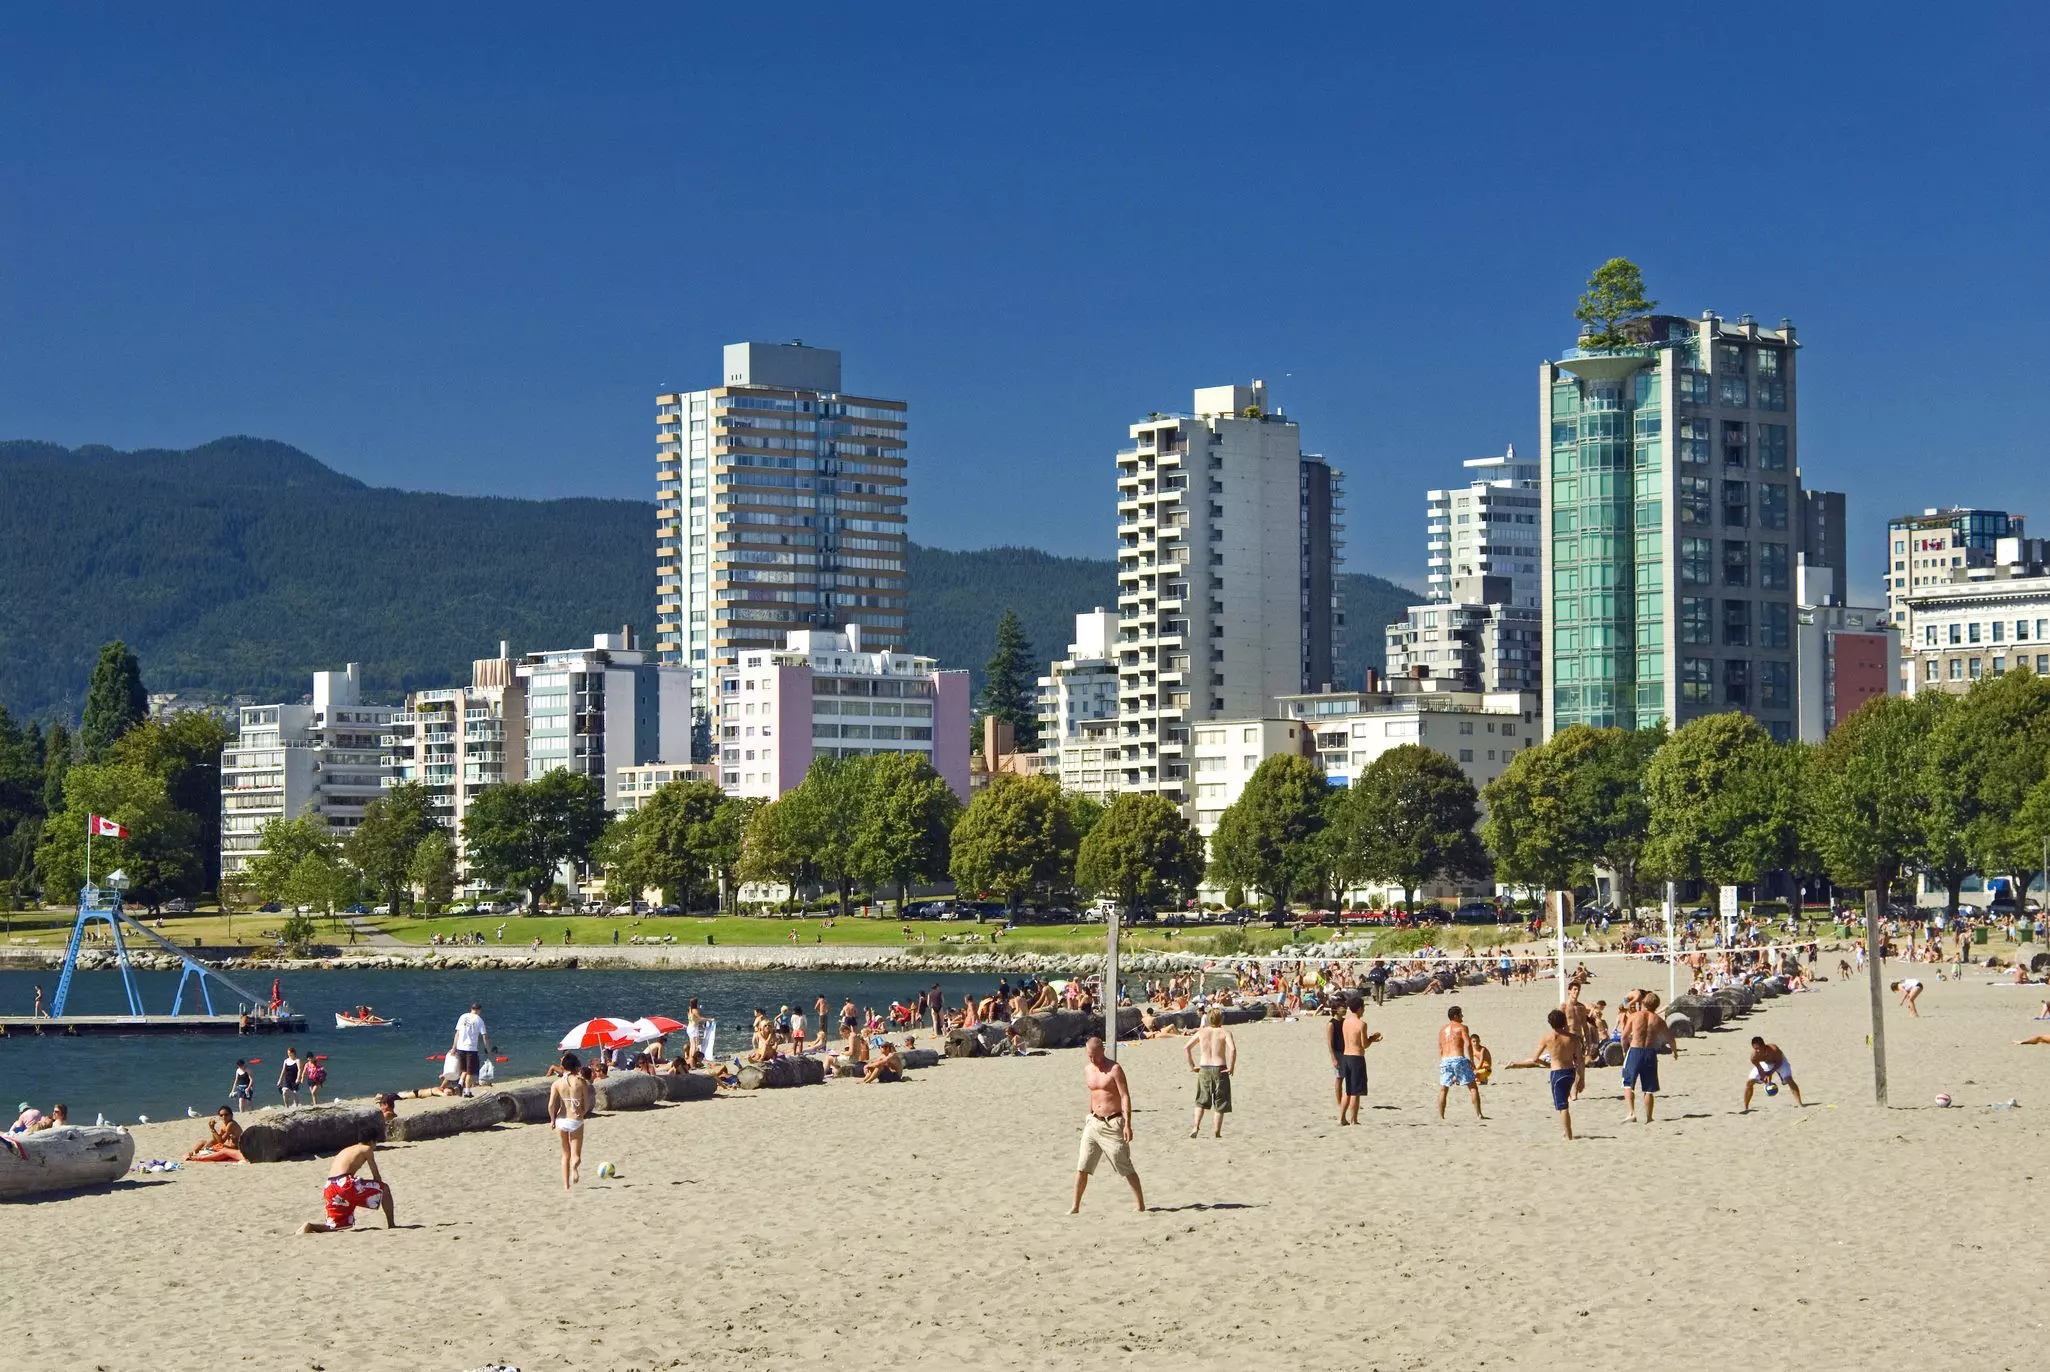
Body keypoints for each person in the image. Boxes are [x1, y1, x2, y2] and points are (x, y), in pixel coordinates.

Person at [1071, 1037, 1143, 1214]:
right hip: (1093, 1123)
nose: (1092, 1060)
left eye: (1095, 1056)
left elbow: (1124, 1095)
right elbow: (1093, 1093)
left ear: (1102, 1051)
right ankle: (1075, 1207)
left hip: (1113, 1123)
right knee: (1082, 1165)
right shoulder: (1088, 1069)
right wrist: (1089, 1115)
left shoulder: (1114, 1069)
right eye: (1089, 1056)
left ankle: (1140, 1204)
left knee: (1124, 1165)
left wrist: (1128, 1124)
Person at [1507, 1008, 1583, 1141]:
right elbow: (1580, 1060)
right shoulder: (1574, 1038)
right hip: (1570, 1072)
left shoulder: (1548, 1038)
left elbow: (1535, 1058)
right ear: (1564, 1021)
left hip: (1557, 1072)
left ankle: (1569, 1135)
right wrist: (1581, 1079)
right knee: (1564, 1101)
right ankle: (1566, 1132)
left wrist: (1548, 1065)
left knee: (1562, 1105)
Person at [298, 1136, 395, 1234]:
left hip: (330, 1186)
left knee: (335, 1225)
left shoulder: (346, 1150)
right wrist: (378, 1190)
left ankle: (310, 1226)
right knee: (384, 1188)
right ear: (371, 1141)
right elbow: (376, 1177)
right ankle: (391, 1224)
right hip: (344, 1184)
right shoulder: (367, 1148)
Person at [1620, 991, 1677, 1124]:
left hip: (1635, 1051)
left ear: (1643, 1003)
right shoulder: (1658, 1020)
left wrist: (1624, 1050)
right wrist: (1674, 1051)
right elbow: (1670, 1038)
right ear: (1656, 1005)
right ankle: (1649, 1117)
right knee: (1648, 1089)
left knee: (1628, 1084)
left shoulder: (1635, 1016)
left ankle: (1631, 1112)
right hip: (1650, 1053)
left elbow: (1624, 1036)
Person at [1184, 1006, 1236, 1138]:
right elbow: (1233, 1050)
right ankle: (1217, 1132)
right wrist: (1232, 1067)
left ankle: (1196, 1127)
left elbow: (1187, 1047)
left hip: (1204, 1068)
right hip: (1220, 1068)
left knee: (1201, 1100)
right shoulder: (1225, 1032)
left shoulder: (1202, 1032)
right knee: (1220, 1102)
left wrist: (1192, 1065)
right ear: (1221, 1019)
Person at [548, 1053, 593, 1189]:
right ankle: (575, 1167)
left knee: (565, 1155)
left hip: (561, 1120)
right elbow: (587, 1103)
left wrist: (552, 1120)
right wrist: (582, 1113)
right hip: (575, 1119)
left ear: (563, 1067)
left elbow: (551, 1104)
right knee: (575, 1155)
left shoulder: (557, 1083)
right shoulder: (581, 1082)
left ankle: (566, 1186)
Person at [1436, 1006, 1485, 1121]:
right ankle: (1479, 1114)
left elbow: (1440, 1047)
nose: (1462, 1016)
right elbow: (1468, 1044)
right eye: (1461, 1014)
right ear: (1455, 1016)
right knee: (1472, 1087)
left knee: (1444, 1089)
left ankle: (1441, 1116)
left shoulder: (1442, 1030)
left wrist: (1443, 1059)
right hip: (1458, 1058)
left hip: (1445, 1059)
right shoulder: (1462, 1027)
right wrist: (1471, 1060)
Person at [1337, 995, 1378, 1126]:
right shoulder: (1361, 1024)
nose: (1364, 1010)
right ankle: (1354, 1120)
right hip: (1356, 1058)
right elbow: (1364, 1044)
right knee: (1355, 1092)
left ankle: (1342, 1118)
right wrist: (1372, 1038)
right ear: (1359, 1008)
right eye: (1363, 1007)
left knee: (1347, 1090)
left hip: (1346, 1056)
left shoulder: (1345, 1022)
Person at [1742, 1037, 1803, 1110]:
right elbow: (1760, 1068)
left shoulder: (1774, 1049)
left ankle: (1800, 1104)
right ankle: (1746, 1108)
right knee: (1749, 1082)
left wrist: (1770, 1073)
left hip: (1779, 1061)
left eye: (1759, 1048)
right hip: (1766, 1063)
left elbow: (1779, 1062)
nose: (1757, 1051)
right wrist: (1764, 1077)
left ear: (1764, 1045)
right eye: (1755, 1049)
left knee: (1789, 1079)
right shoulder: (1754, 1057)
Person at [450, 1003, 491, 1095]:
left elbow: (457, 1033)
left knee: (464, 1069)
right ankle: (467, 1092)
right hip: (471, 1049)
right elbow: (485, 1037)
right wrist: (488, 1050)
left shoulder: (462, 1017)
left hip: (460, 1047)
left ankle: (460, 1084)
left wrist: (453, 1047)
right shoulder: (479, 1020)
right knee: (470, 1072)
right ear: (479, 1010)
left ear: (471, 1009)